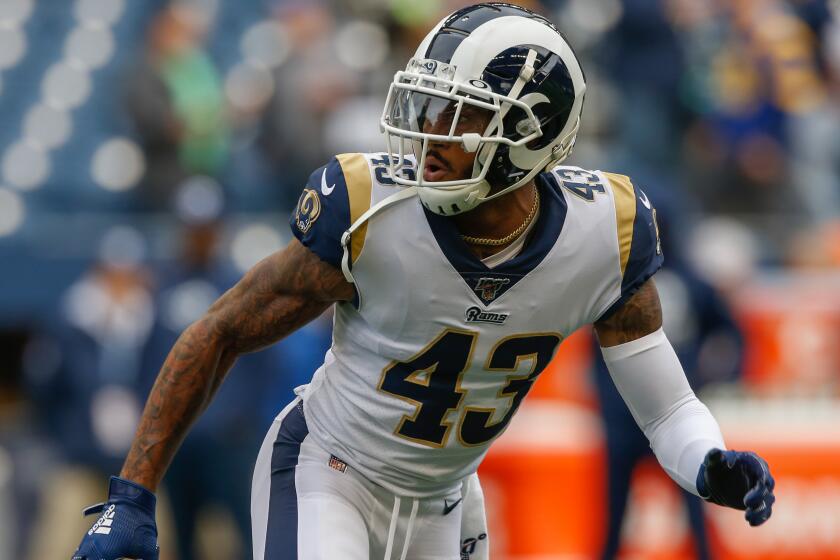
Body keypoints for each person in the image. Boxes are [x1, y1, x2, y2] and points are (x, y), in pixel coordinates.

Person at [71, 4, 776, 560]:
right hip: (330, 473)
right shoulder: (371, 211)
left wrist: (709, 462)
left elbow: (664, 409)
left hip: (446, 503)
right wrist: (133, 493)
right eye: (429, 106)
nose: (429, 133)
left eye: (460, 116)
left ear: (530, 132)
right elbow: (221, 329)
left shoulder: (605, 233)